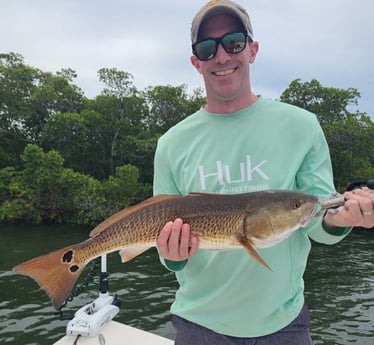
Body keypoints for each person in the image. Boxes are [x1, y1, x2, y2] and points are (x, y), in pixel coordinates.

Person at [152, 1, 374, 344]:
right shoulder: (170, 144)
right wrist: (172, 256)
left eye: (234, 42)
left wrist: (342, 220)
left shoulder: (302, 126)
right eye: (208, 48)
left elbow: (318, 218)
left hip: (285, 325)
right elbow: (166, 250)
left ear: (252, 50)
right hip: (198, 326)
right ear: (196, 62)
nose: (222, 56)